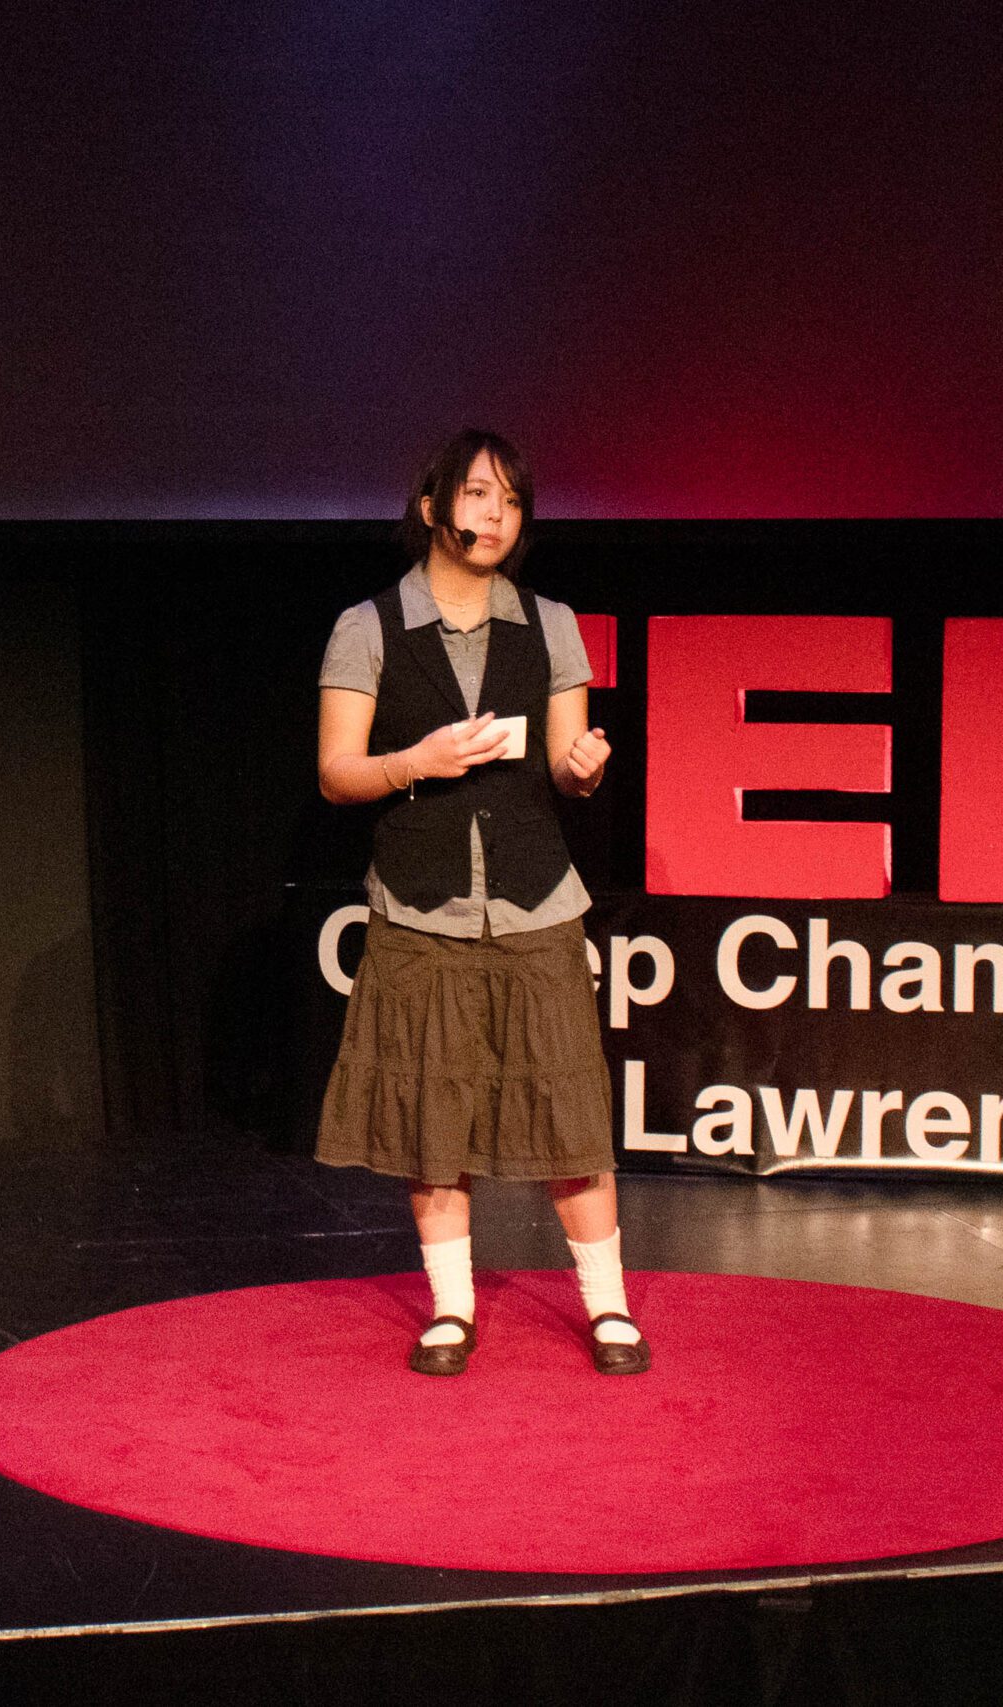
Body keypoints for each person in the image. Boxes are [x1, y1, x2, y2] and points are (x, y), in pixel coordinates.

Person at [312, 428, 647, 1377]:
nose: (493, 515)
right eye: (476, 495)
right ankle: (452, 1310)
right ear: (432, 508)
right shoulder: (369, 625)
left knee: (568, 1110)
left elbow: (564, 765)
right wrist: (414, 762)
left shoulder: (552, 622)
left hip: (536, 900)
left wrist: (582, 770)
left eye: (509, 500)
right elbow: (337, 772)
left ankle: (608, 1307)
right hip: (421, 906)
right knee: (433, 1112)